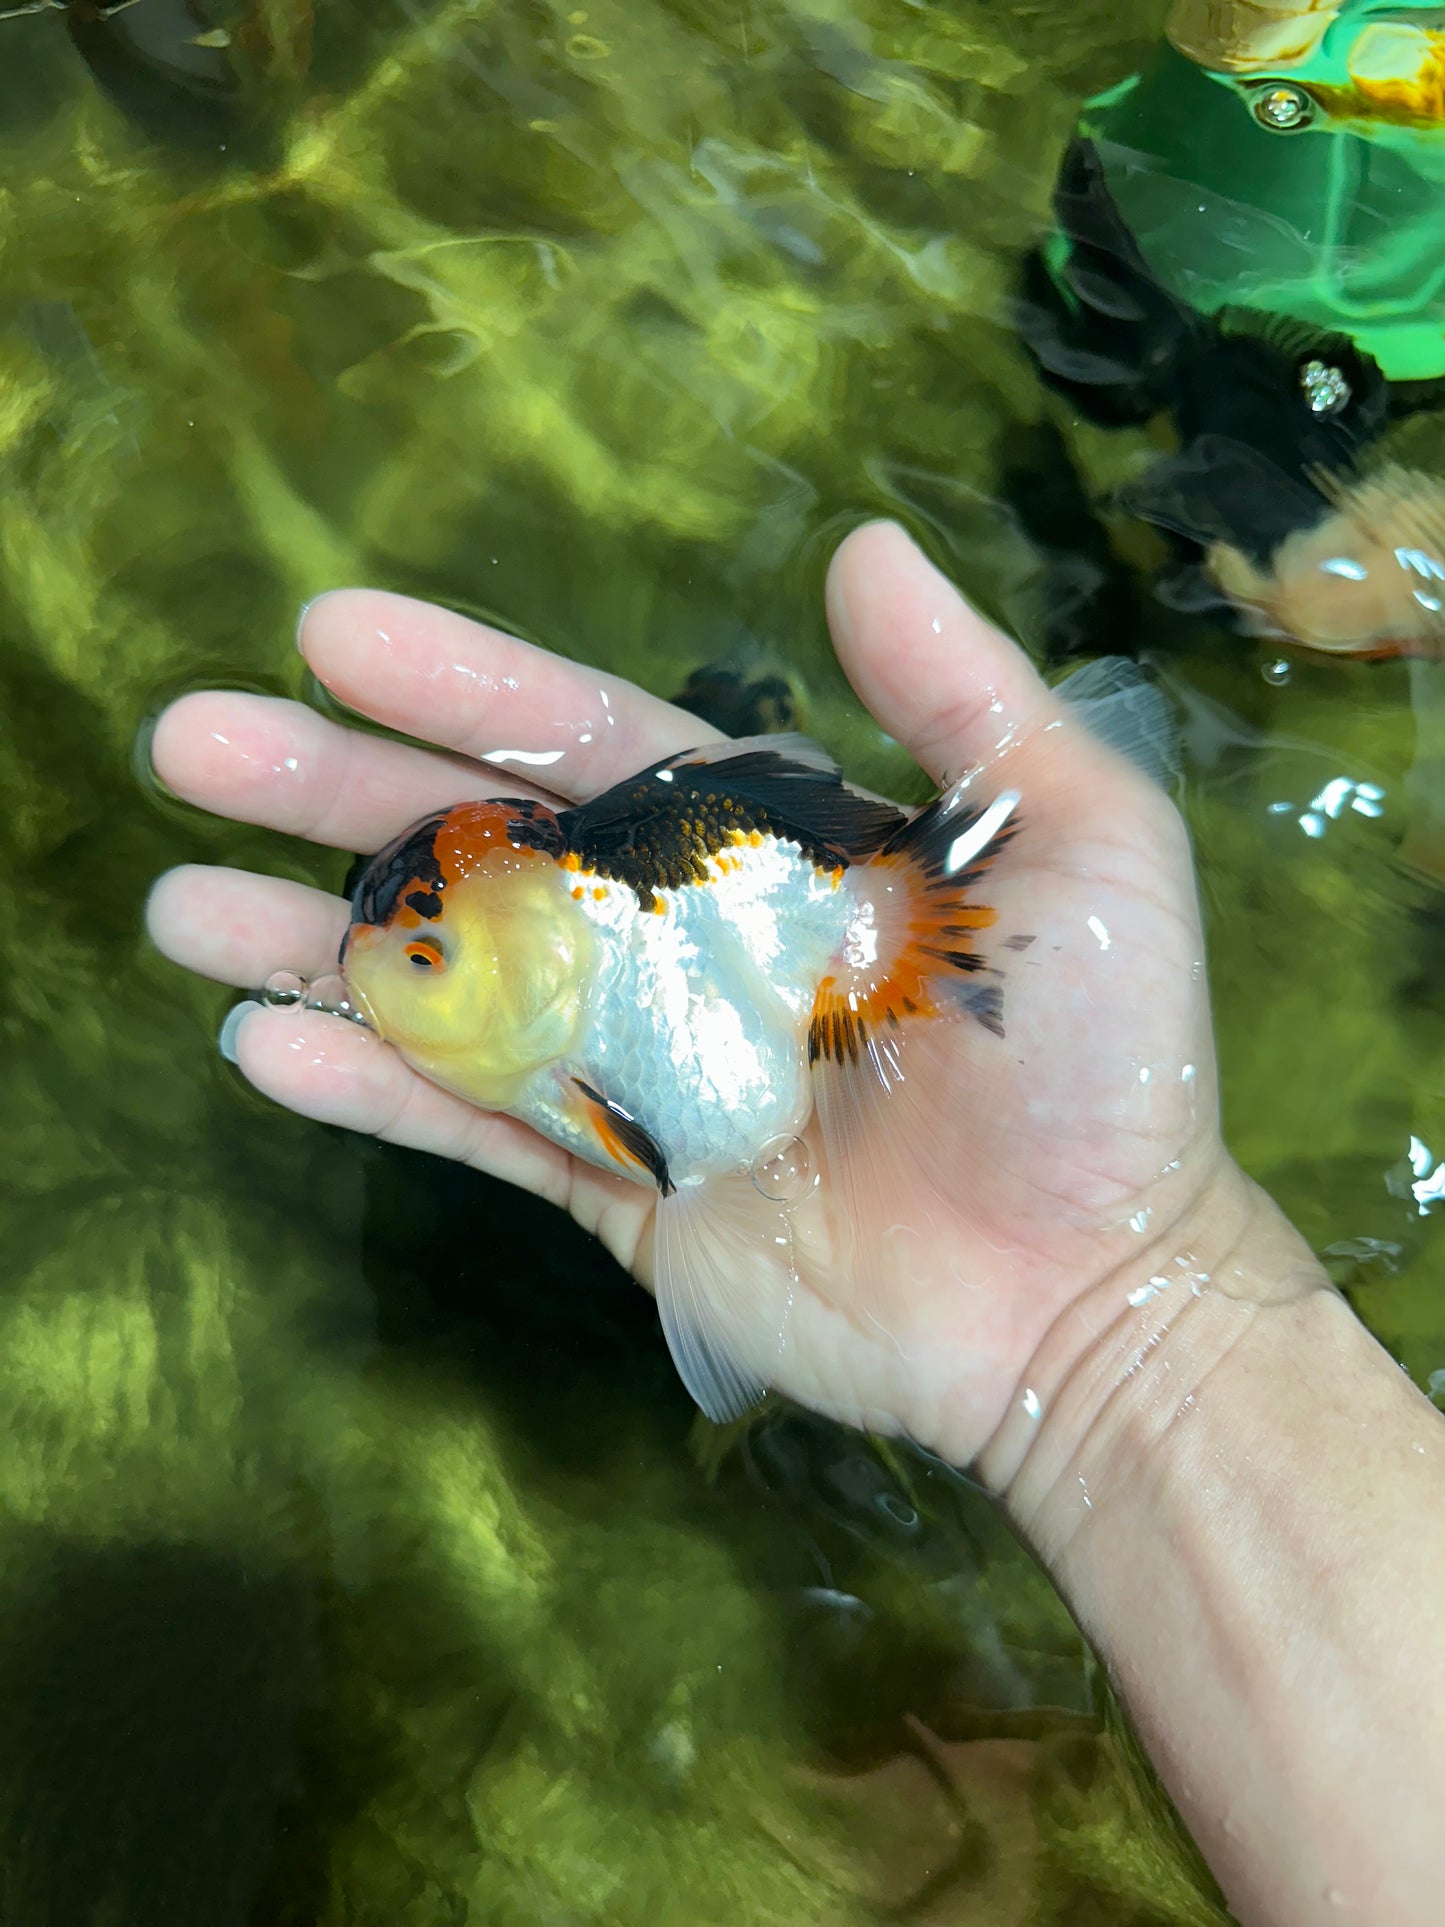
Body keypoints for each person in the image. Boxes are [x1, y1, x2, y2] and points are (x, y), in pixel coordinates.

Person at [147, 522, 1445, 1926]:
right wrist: (1132, 1325)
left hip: (782, 948)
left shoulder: (661, 952)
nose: (397, 977)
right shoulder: (565, 999)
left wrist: (1122, 1289)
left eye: (422, 955)